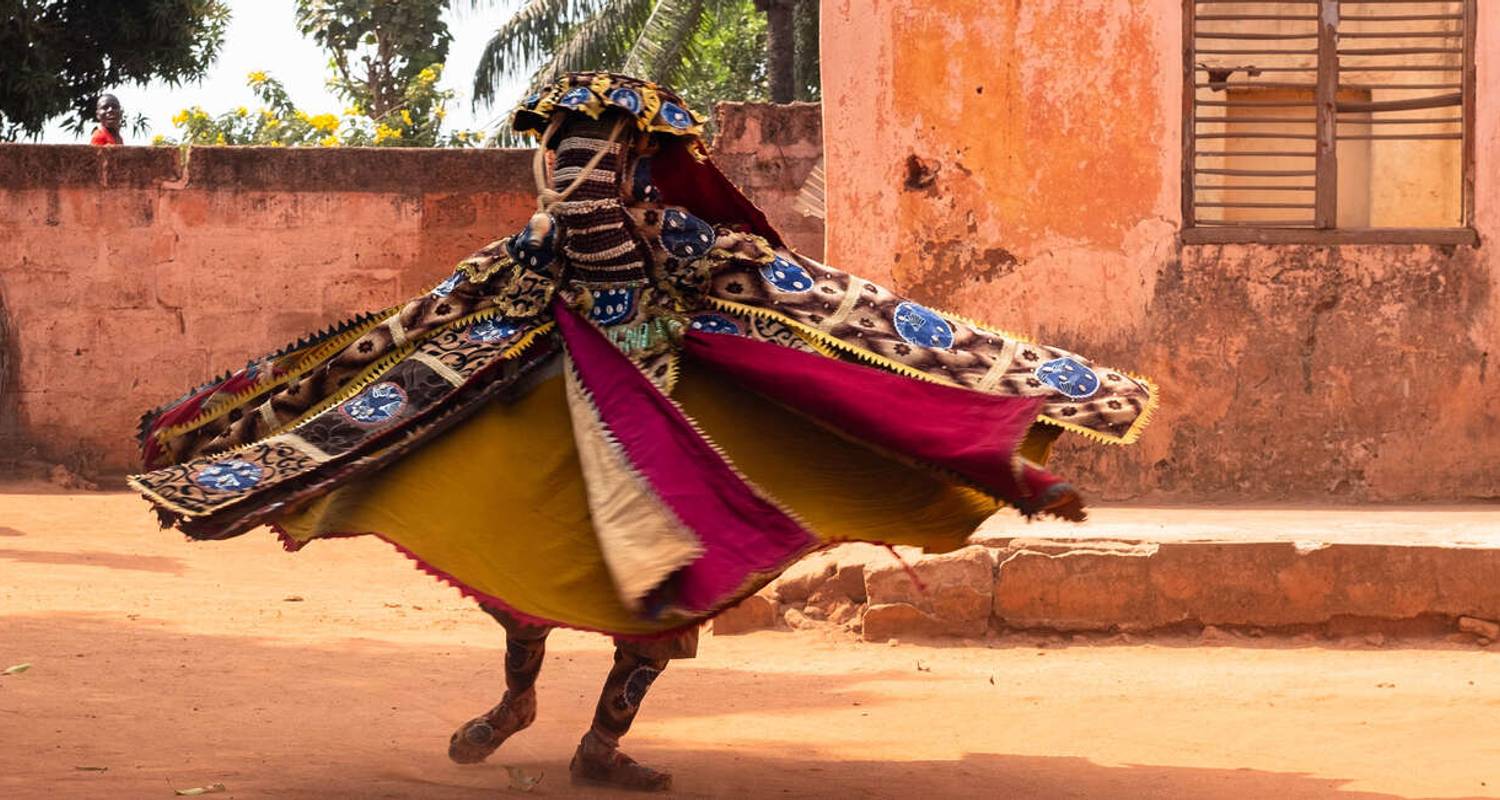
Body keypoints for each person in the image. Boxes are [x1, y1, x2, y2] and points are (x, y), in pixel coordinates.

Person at [130, 72, 1156, 791]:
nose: (577, 181)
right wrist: (246, 418)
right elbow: (412, 330)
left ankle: (598, 743)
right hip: (553, 416)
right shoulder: (535, 251)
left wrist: (1025, 427)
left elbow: (850, 323)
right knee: (531, 578)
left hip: (668, 420)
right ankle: (522, 704)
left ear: (634, 167)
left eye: (595, 162)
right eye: (565, 163)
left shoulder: (680, 238)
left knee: (660, 593)